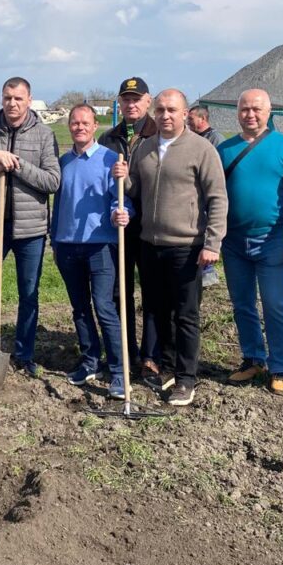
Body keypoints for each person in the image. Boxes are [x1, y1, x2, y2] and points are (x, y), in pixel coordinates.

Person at [113, 89, 227, 406]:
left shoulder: (201, 149)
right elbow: (135, 189)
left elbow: (218, 198)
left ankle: (187, 379)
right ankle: (162, 367)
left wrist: (212, 242)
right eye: (161, 110)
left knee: (186, 315)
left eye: (171, 110)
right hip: (151, 244)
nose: (165, 115)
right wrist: (122, 178)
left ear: (185, 113)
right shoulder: (145, 148)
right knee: (156, 310)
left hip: (187, 246)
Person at [216, 89, 283, 396]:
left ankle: (281, 367)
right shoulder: (225, 150)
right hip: (233, 242)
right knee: (242, 303)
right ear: (237, 112)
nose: (250, 114)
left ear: (269, 111)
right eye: (245, 109)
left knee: (274, 304)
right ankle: (252, 359)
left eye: (256, 109)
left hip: (273, 240)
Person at [0, 76, 61, 377]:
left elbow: (53, 181)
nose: (12, 103)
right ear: (1, 99)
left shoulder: (43, 135)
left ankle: (24, 353)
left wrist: (17, 164)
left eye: (18, 98)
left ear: (29, 100)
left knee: (28, 294)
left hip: (29, 230)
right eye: (7, 98)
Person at [53, 105, 132, 399]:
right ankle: (89, 361)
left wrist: (120, 213)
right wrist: (55, 239)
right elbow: (59, 205)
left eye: (85, 122)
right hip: (67, 246)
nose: (79, 127)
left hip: (100, 246)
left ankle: (119, 371)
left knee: (104, 307)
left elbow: (121, 200)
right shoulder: (63, 163)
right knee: (80, 308)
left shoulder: (112, 161)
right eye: (75, 123)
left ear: (95, 125)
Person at [99, 76, 157, 376]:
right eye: (126, 99)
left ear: (148, 101)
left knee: (151, 291)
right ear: (119, 103)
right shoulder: (108, 139)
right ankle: (126, 349)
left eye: (137, 98)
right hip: (119, 227)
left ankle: (150, 354)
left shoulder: (158, 134)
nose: (131, 104)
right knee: (120, 291)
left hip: (151, 226)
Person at [188, 104, 225, 288]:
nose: (188, 121)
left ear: (202, 119)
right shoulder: (191, 138)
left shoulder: (215, 139)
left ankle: (208, 270)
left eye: (191, 118)